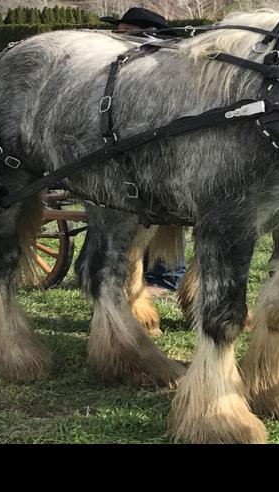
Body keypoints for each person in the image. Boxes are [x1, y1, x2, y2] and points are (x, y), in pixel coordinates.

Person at [101, 6, 186, 296]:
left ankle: (165, 277)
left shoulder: (166, 68)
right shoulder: (112, 67)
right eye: (119, 32)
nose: (118, 37)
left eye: (125, 33)